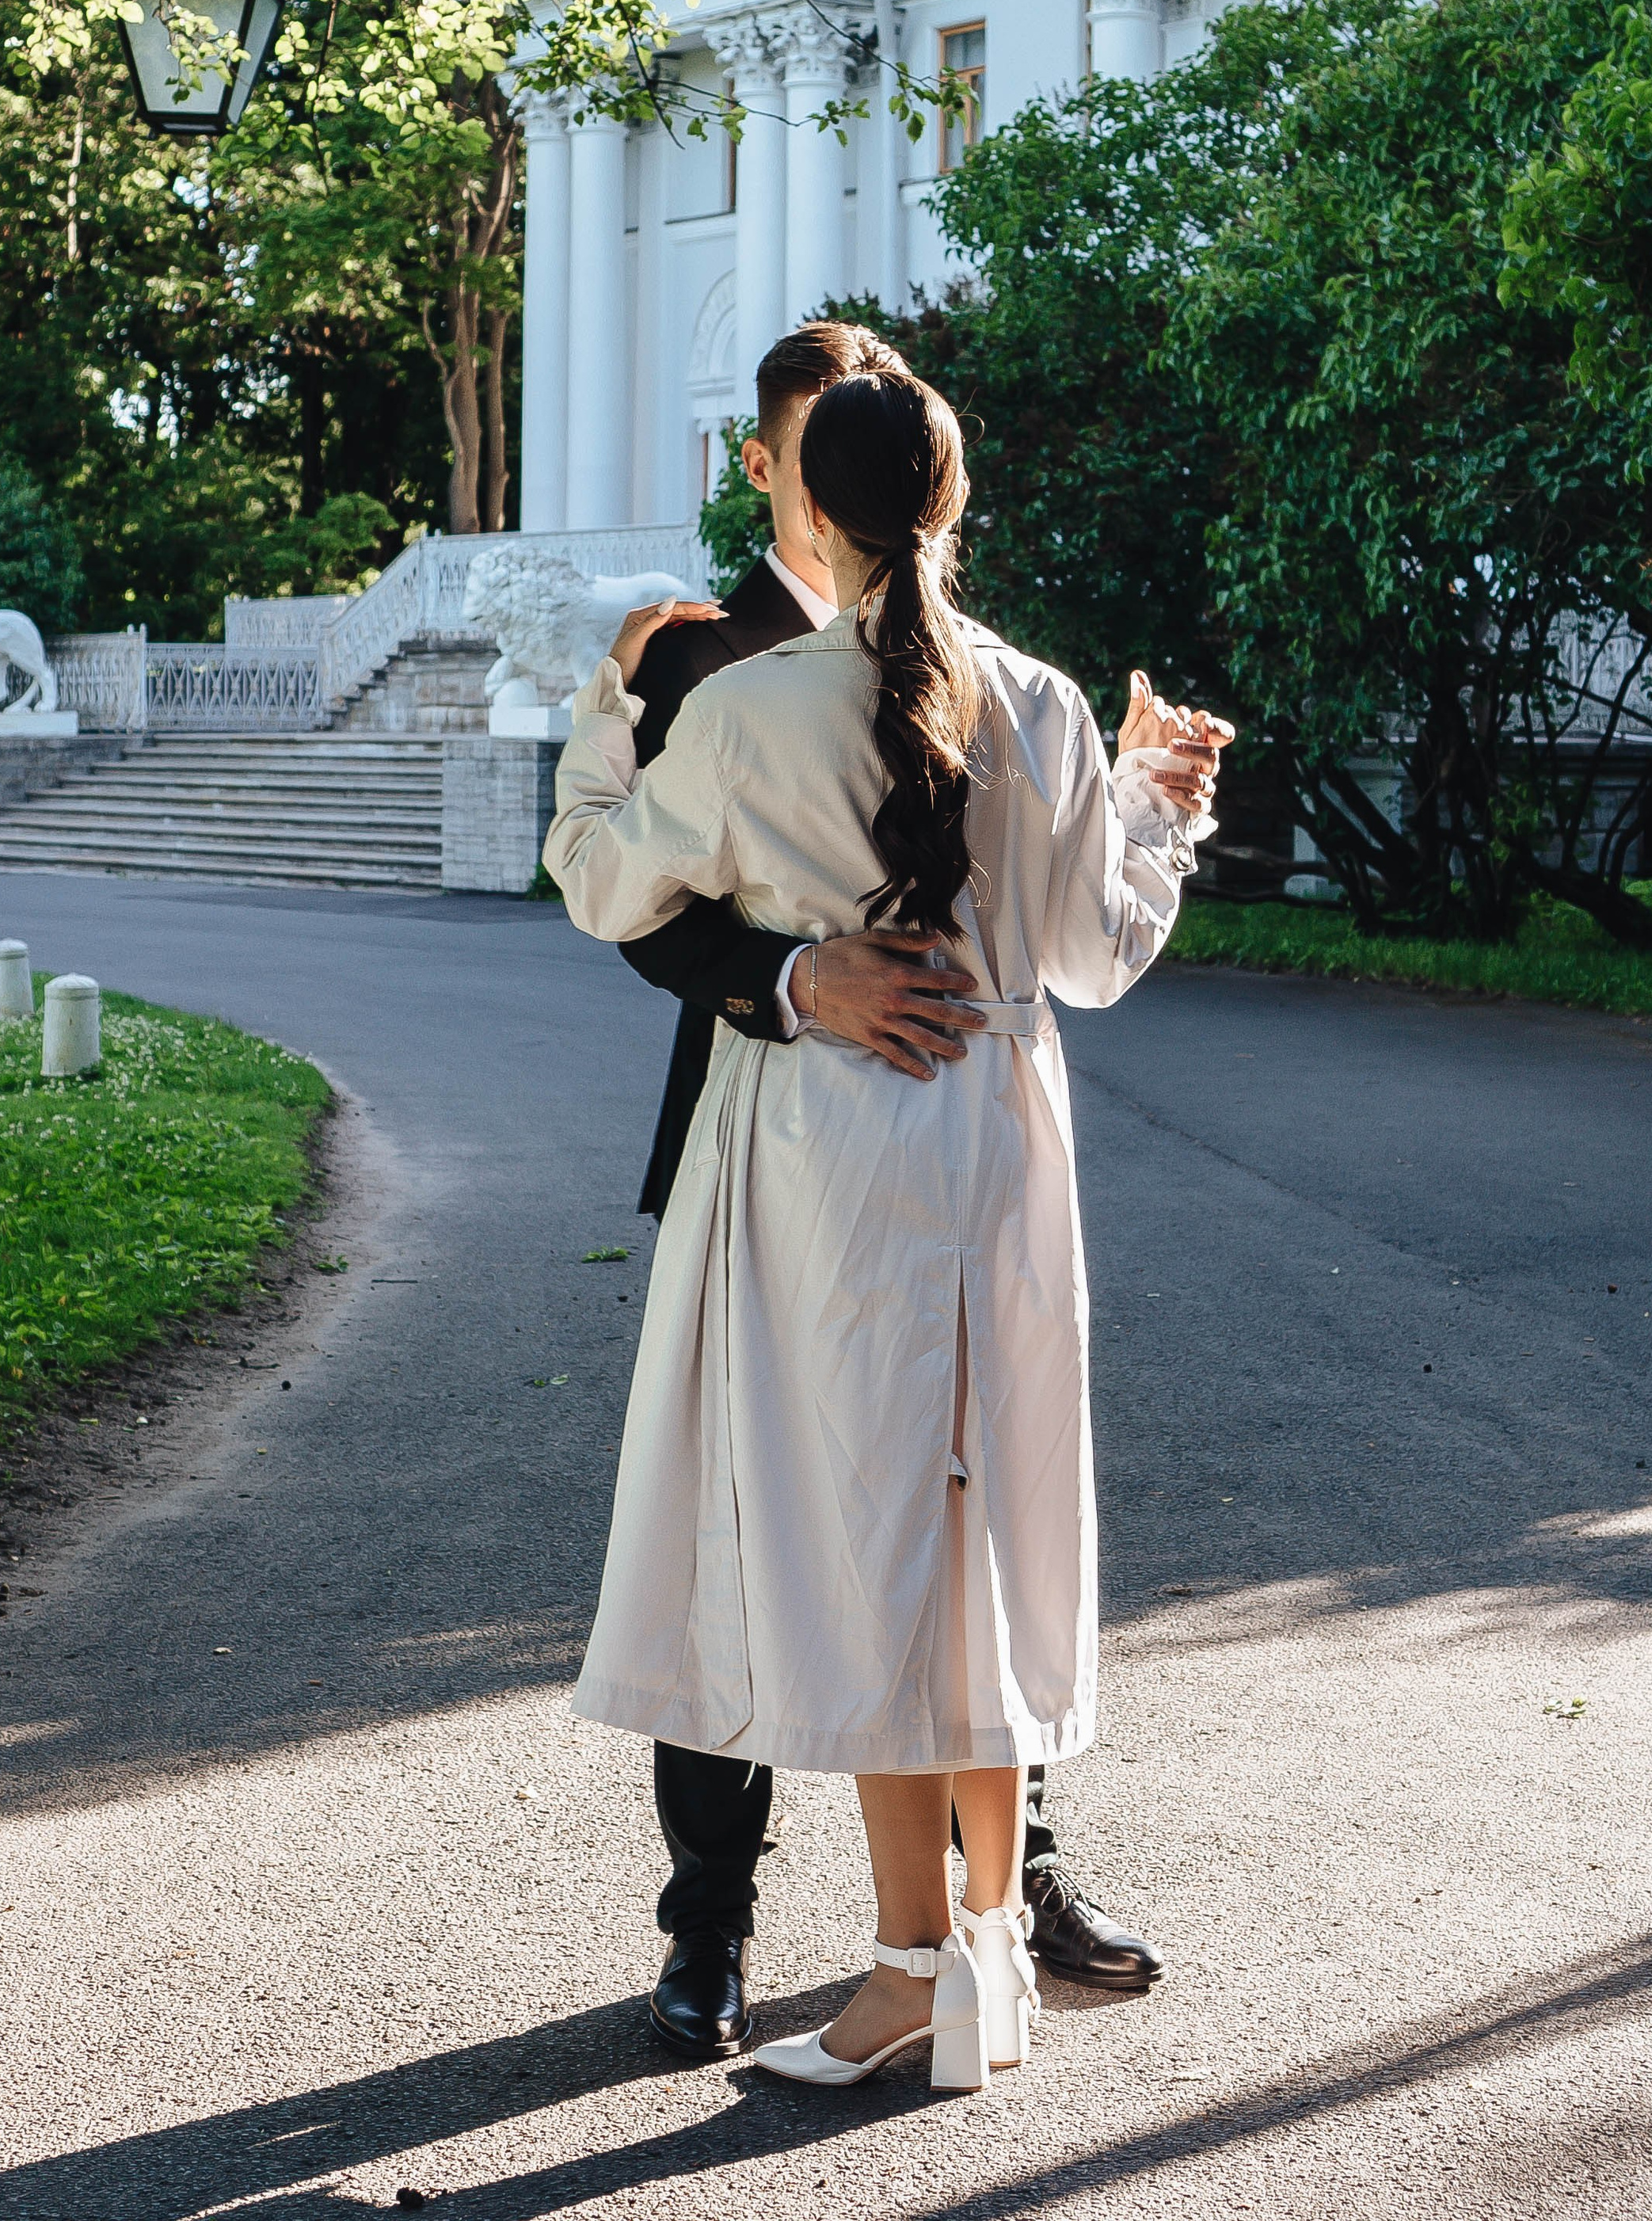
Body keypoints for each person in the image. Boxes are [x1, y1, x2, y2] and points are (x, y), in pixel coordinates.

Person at [546, 368, 1228, 2093]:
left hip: (822, 1161)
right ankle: (982, 1953)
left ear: (811, 505)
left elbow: (603, 880)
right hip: (1000, 1139)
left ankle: (909, 1967)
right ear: (952, 496)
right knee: (979, 1538)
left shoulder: (754, 706)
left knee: (861, 1548)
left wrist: (603, 709)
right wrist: (1153, 799)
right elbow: (1090, 957)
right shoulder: (1042, 698)